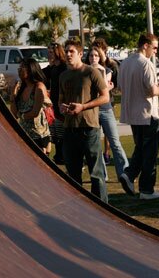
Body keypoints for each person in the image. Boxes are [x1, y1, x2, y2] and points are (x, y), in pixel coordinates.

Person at [59, 39, 109, 203]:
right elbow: (60, 100)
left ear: (80, 54)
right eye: (66, 51)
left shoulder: (91, 72)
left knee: (96, 173)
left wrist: (84, 106)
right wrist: (62, 107)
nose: (67, 54)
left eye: (71, 51)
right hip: (69, 129)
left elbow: (105, 97)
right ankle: (79, 209)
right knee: (73, 175)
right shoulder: (63, 75)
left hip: (89, 129)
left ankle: (102, 208)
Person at [118, 33, 159, 200]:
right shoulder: (146, 64)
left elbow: (121, 87)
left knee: (141, 149)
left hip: (132, 114)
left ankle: (129, 175)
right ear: (146, 45)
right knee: (150, 152)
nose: (156, 51)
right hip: (147, 114)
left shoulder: (125, 63)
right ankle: (146, 189)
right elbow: (152, 90)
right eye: (155, 47)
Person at [87, 45, 129, 180]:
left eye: (96, 55)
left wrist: (101, 71)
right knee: (96, 145)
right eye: (91, 56)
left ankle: (125, 173)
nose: (93, 58)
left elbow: (104, 87)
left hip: (106, 110)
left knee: (115, 142)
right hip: (92, 111)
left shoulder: (107, 70)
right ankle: (102, 175)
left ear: (100, 57)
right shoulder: (85, 71)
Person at [10, 58, 52, 154]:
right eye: (19, 67)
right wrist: (13, 96)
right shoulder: (22, 88)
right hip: (24, 134)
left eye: (22, 67)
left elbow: (35, 112)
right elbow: (15, 114)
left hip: (39, 135)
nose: (19, 70)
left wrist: (22, 116)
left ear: (30, 69)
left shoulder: (39, 87)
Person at [43, 43, 67, 164]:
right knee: (56, 133)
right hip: (54, 104)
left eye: (51, 52)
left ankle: (64, 156)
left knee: (62, 132)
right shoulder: (53, 68)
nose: (49, 55)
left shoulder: (64, 67)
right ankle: (59, 155)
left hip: (63, 103)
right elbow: (41, 74)